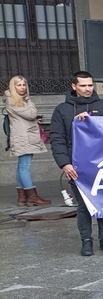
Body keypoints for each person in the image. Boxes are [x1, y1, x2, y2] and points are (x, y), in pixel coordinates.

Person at [50, 71, 103, 255]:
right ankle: (86, 241)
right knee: (83, 206)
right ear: (74, 86)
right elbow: (57, 139)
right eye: (83, 85)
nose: (88, 89)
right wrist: (65, 164)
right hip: (77, 167)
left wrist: (93, 121)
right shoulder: (62, 110)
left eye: (90, 85)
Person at [4, 75, 52, 206]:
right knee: (24, 166)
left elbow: (24, 118)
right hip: (24, 138)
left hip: (23, 136)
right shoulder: (14, 100)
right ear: (13, 87)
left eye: (24, 85)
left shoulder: (16, 100)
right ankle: (32, 197)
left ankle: (22, 198)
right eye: (19, 85)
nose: (22, 87)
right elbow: (31, 114)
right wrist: (30, 101)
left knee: (21, 166)